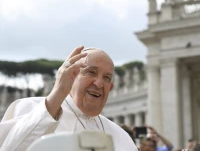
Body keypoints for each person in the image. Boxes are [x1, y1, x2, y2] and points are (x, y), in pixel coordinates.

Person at [0, 46, 138, 151]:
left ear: (111, 86)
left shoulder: (121, 136)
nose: (99, 83)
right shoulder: (30, 107)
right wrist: (57, 94)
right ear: (71, 76)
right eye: (91, 72)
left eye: (106, 78)